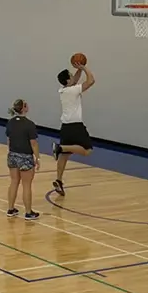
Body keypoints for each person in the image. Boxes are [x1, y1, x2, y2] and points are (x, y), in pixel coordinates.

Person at [52, 63, 96, 195]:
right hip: (76, 126)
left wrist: (78, 68)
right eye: (70, 76)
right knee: (88, 151)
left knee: (64, 157)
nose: (73, 76)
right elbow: (91, 81)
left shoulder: (63, 90)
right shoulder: (73, 90)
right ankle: (60, 148)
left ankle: (59, 180)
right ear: (67, 80)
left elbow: (75, 80)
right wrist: (84, 68)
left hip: (65, 126)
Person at [5, 98, 41, 219]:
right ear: (24, 108)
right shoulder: (29, 124)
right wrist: (37, 158)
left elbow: (9, 140)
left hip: (12, 155)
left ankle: (10, 208)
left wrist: (11, 153)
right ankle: (28, 212)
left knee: (14, 182)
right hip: (25, 156)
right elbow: (33, 143)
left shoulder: (10, 122)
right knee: (26, 185)